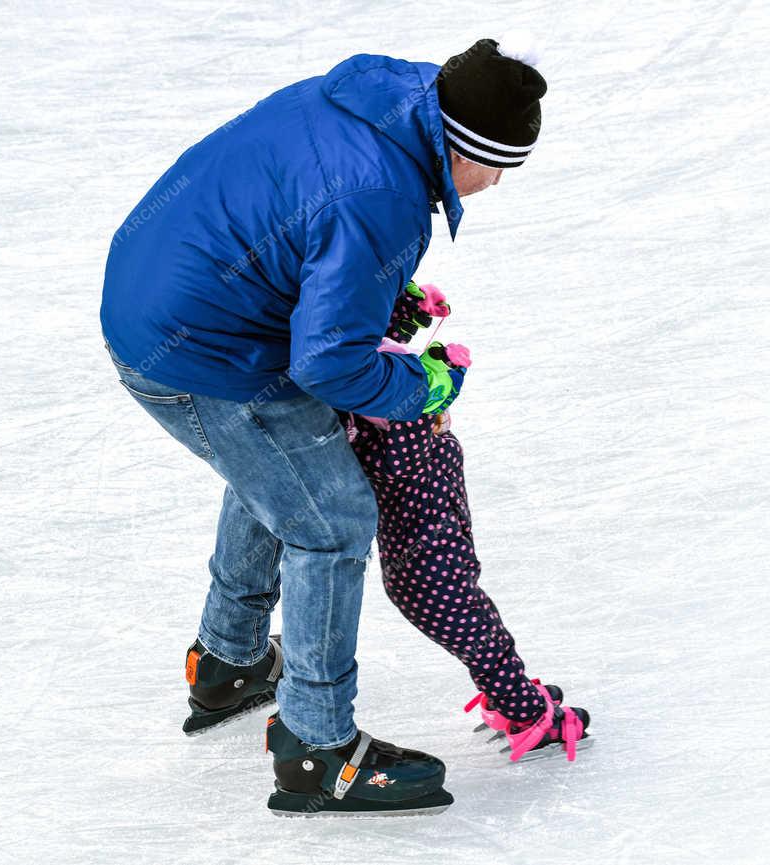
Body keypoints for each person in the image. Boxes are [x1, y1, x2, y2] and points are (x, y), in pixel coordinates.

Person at [101, 36, 548, 816]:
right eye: (501, 165)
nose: (500, 183)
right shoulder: (384, 193)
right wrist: (427, 383)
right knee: (333, 518)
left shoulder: (371, 103)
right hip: (198, 349)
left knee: (286, 473)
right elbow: (330, 368)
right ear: (467, 147)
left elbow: (299, 235)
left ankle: (229, 663)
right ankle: (317, 748)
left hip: (161, 296)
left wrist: (379, 298)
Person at [345, 281, 592, 763]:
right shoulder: (394, 431)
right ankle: (526, 715)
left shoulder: (376, 389)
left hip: (437, 546)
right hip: (429, 564)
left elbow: (369, 344)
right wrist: (430, 398)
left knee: (485, 636)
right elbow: (396, 450)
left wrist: (403, 306)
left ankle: (510, 693)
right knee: (485, 639)